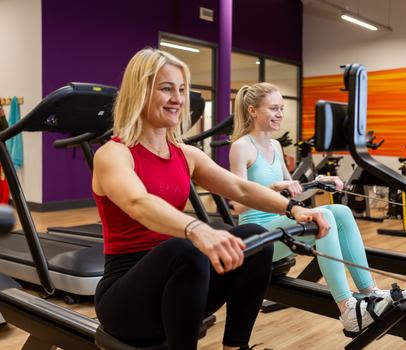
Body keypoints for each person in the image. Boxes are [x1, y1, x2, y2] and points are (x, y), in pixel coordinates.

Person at [92, 48, 330, 350]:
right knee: (185, 250)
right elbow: (137, 202)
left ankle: (235, 347)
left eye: (181, 89)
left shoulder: (185, 154)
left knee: (256, 237)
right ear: (140, 91)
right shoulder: (113, 154)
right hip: (125, 301)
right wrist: (197, 229)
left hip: (180, 284)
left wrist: (294, 209)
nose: (178, 98)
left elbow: (240, 188)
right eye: (166, 89)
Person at [229, 82, 406, 336]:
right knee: (323, 215)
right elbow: (237, 203)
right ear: (252, 111)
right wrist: (274, 186)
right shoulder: (241, 147)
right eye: (273, 108)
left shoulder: (276, 147)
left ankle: (369, 292)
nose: (280, 113)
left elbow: (292, 192)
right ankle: (347, 308)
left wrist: (319, 183)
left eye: (281, 108)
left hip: (280, 223)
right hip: (256, 234)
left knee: (341, 211)